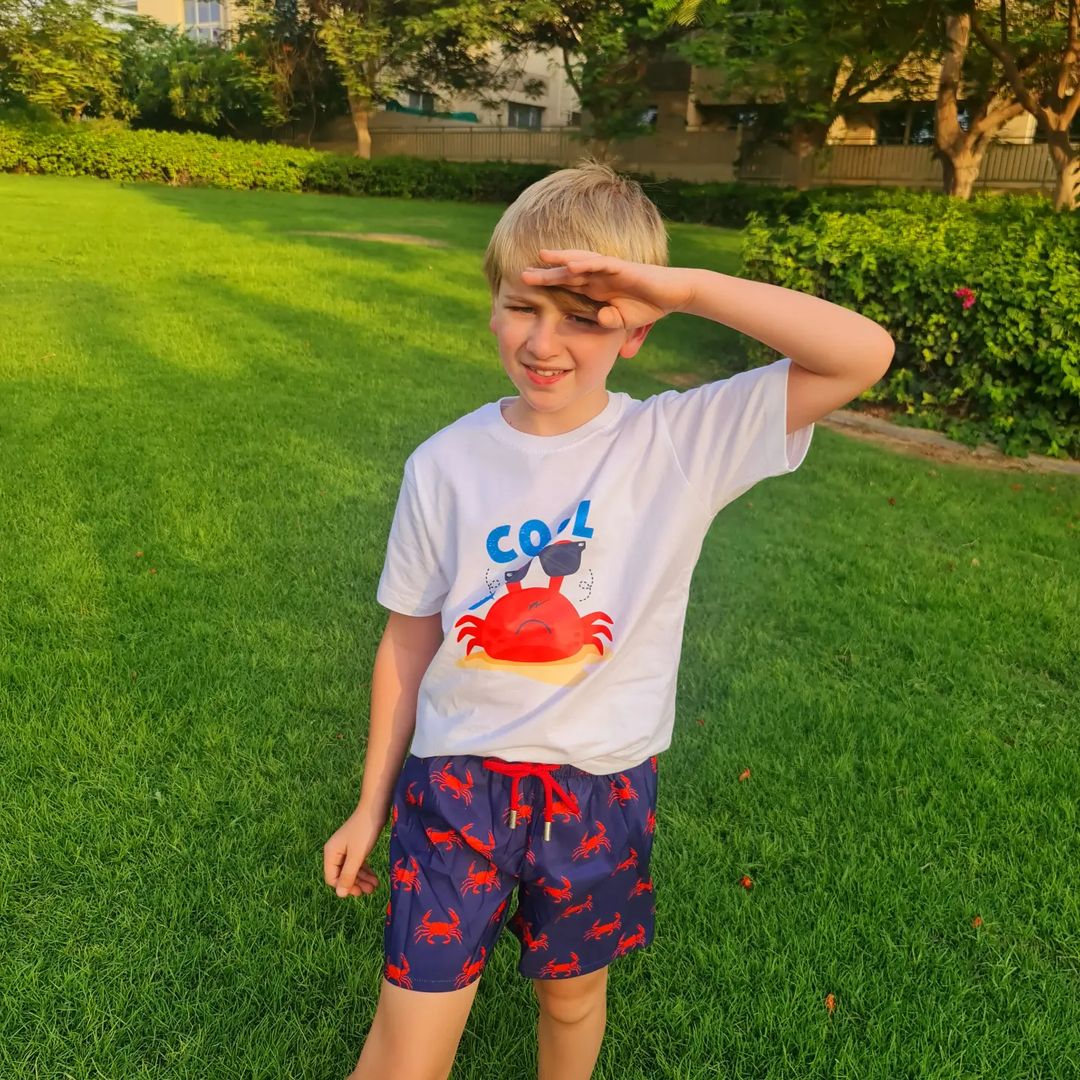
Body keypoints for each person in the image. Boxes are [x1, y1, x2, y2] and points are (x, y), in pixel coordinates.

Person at [323, 159, 895, 1080]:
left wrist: (682, 288)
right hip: (456, 786)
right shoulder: (443, 463)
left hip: (601, 789)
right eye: (522, 306)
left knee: (573, 997)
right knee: (407, 1040)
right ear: (492, 301)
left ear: (636, 328)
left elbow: (860, 354)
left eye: (586, 317)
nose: (544, 341)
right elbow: (410, 637)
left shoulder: (678, 441)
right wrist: (370, 802)